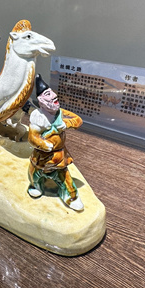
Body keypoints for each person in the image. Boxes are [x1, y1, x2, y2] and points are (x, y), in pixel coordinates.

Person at [27, 74, 85, 211]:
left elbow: (78, 120)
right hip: (41, 156)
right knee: (34, 173)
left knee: (64, 176)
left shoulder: (60, 113)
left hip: (58, 156)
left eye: (52, 93)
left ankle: (71, 197)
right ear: (41, 100)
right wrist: (43, 144)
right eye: (48, 94)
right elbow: (32, 137)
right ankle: (36, 186)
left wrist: (66, 124)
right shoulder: (38, 117)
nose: (54, 96)